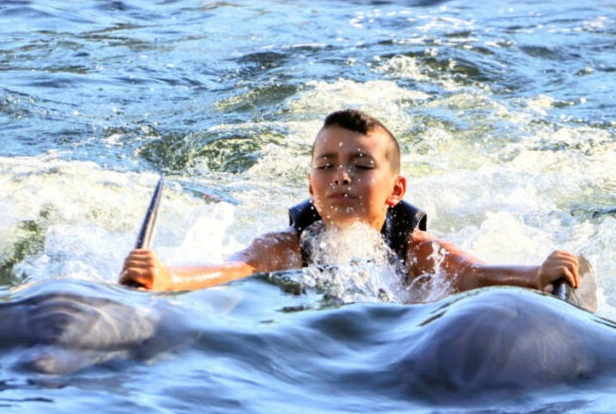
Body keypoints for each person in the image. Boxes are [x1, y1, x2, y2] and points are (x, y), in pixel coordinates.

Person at [119, 109, 582, 298]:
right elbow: (234, 268)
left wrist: (537, 274)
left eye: (361, 166)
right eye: (327, 164)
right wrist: (167, 277)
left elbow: (475, 273)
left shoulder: (414, 251)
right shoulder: (289, 247)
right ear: (310, 186)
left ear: (396, 190)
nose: (341, 175)